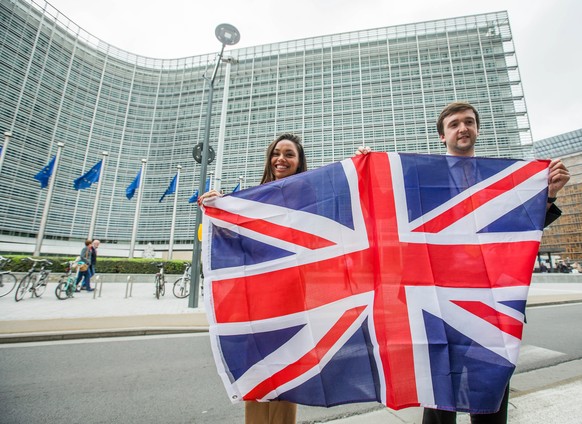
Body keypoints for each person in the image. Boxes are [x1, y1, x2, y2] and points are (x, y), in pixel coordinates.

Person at [421, 102, 569, 424]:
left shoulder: (502, 180)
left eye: (469, 122)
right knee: (439, 400)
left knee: (491, 394)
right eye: (454, 124)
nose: (463, 128)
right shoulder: (422, 182)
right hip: (441, 304)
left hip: (493, 304)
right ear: (442, 136)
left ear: (477, 129)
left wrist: (550, 196)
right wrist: (368, 167)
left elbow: (520, 228)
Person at [199, 133, 307, 424]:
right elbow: (235, 241)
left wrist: (363, 161)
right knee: (257, 372)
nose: (281, 159)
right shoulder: (252, 199)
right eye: (276, 153)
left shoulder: (309, 198)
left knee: (286, 374)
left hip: (292, 301)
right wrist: (218, 209)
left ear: (299, 162)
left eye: (289, 154)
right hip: (257, 301)